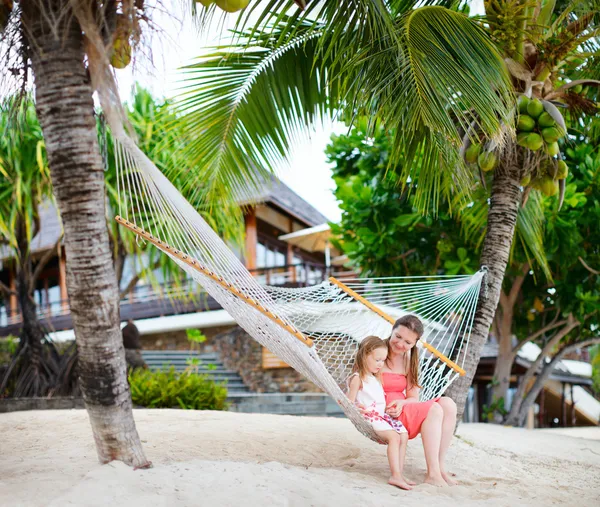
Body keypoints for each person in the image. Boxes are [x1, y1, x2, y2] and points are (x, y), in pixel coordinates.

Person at [382, 315, 458, 487]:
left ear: (415, 343)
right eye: (398, 337)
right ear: (392, 331)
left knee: (448, 404)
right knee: (434, 410)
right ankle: (432, 474)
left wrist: (402, 403)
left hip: (402, 407)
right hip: (384, 411)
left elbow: (413, 398)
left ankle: (439, 467)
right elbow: (360, 380)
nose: (401, 344)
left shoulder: (410, 359)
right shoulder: (376, 350)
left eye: (408, 342)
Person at [347, 335, 413, 490]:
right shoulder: (358, 378)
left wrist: (388, 410)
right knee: (394, 437)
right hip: (368, 417)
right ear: (364, 356)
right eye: (377, 360)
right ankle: (395, 476)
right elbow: (348, 402)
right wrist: (356, 409)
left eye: (383, 360)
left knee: (404, 434)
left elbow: (378, 401)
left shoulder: (376, 378)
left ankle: (399, 473)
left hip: (382, 417)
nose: (380, 364)